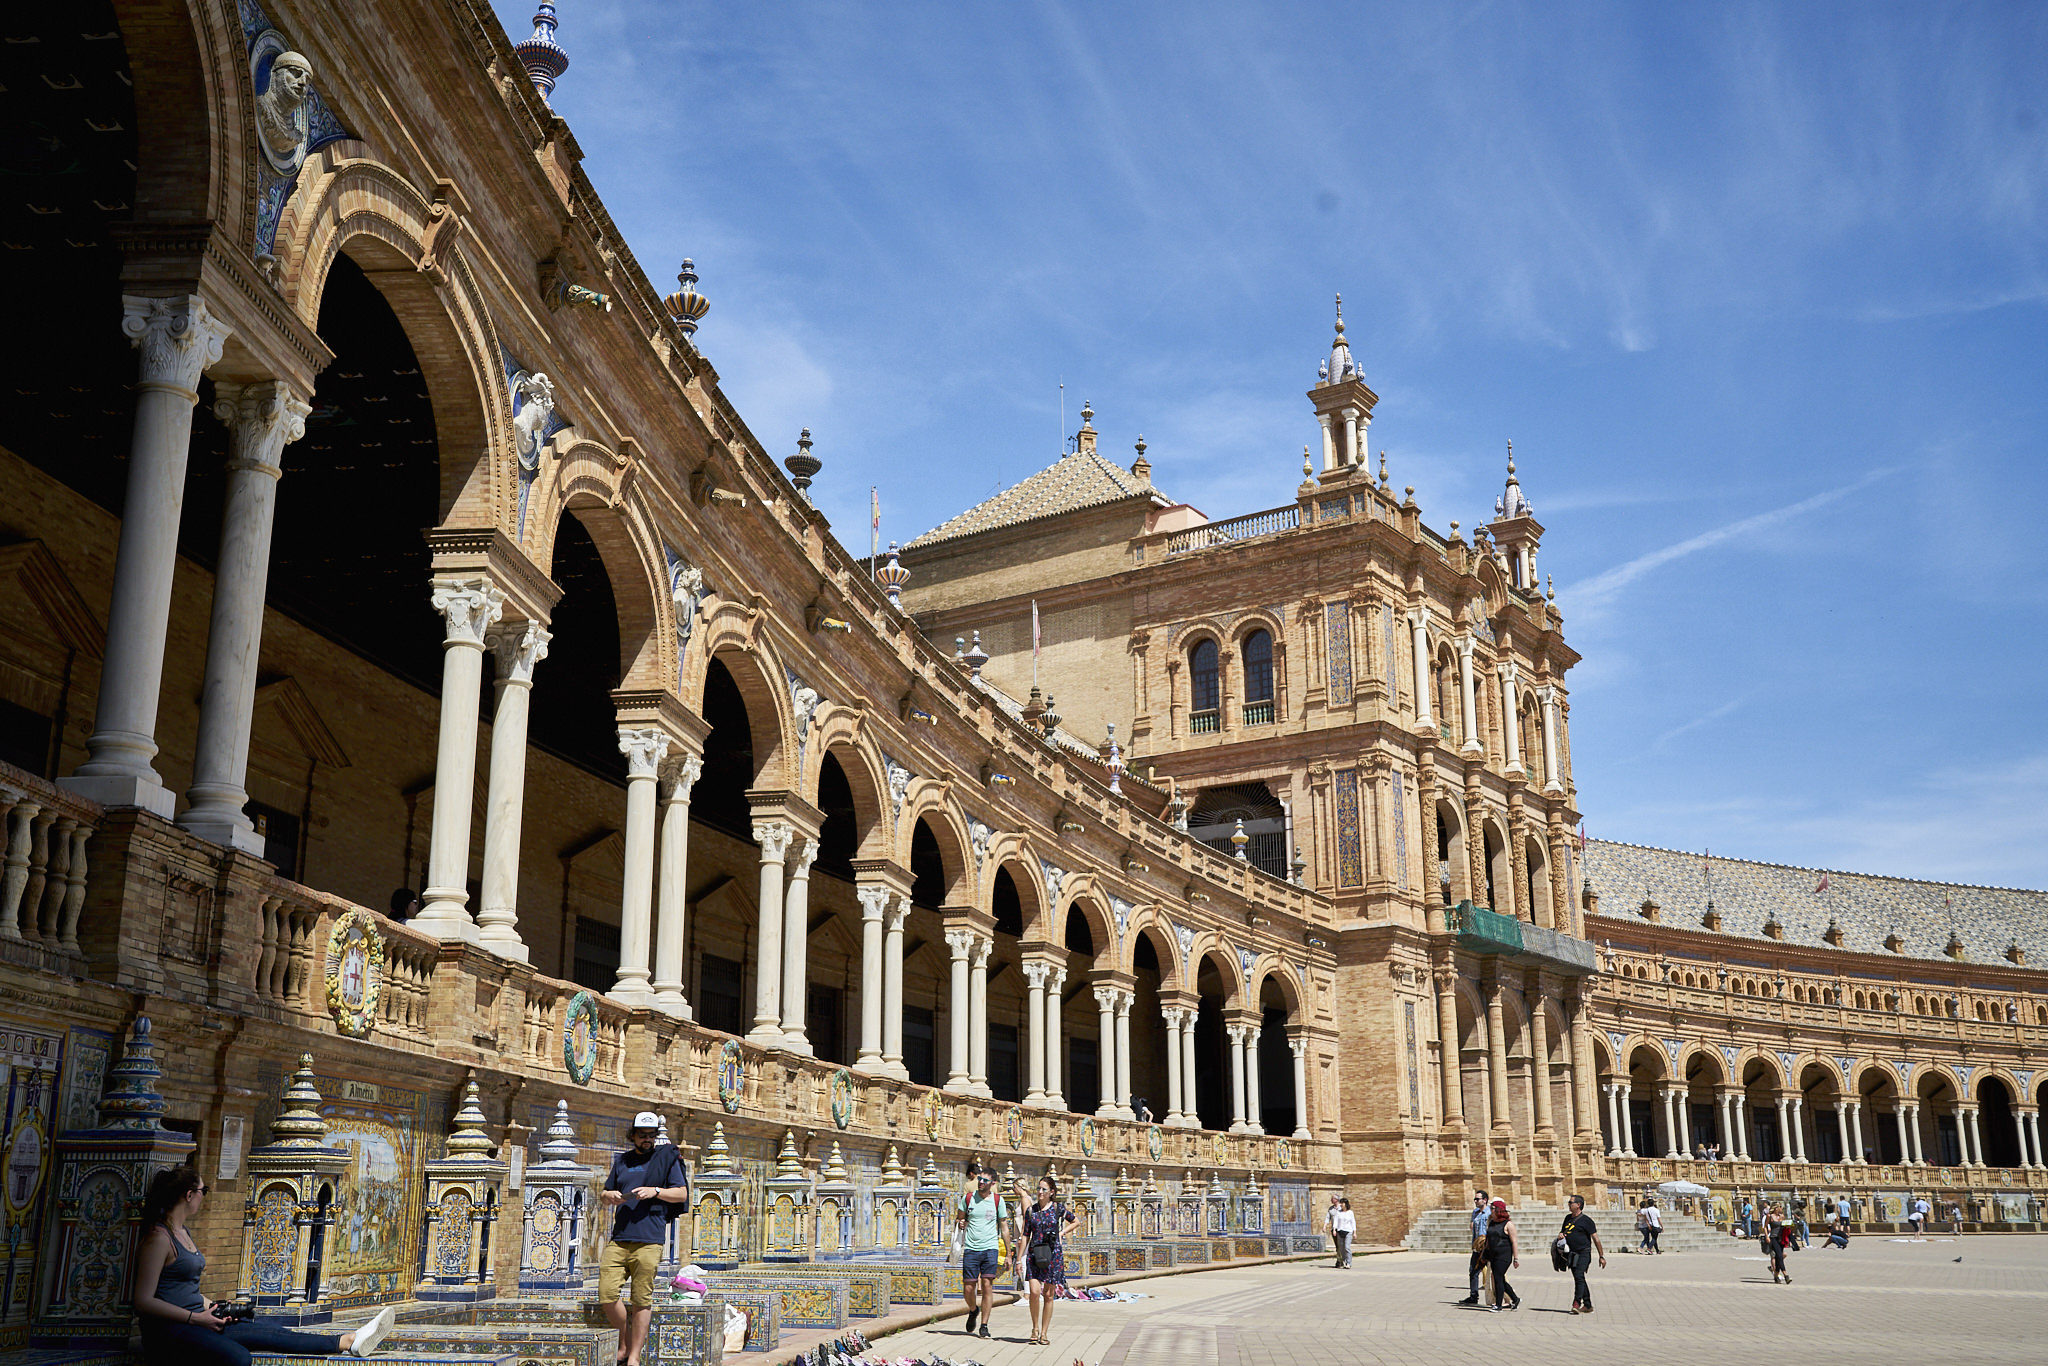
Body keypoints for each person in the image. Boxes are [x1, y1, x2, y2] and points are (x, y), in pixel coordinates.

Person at [132, 1166, 395, 1365]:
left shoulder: (182, 1232)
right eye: (203, 1191)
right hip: (170, 1331)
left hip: (199, 1321)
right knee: (240, 1358)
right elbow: (143, 1301)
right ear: (189, 1195)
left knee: (271, 1331)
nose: (204, 1197)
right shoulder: (159, 1238)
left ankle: (348, 1340)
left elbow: (183, 1288)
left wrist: (212, 1307)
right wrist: (195, 1317)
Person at [600, 1112, 689, 1366]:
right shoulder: (622, 1161)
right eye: (643, 1135)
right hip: (620, 1237)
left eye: (651, 1135)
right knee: (606, 1293)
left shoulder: (665, 1159)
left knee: (641, 1299)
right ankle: (624, 1340)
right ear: (633, 1135)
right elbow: (604, 1193)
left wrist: (656, 1191)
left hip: (649, 1238)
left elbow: (681, 1193)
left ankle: (634, 1356)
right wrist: (611, 1196)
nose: (648, 1139)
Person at [1016, 1174, 1075, 1345]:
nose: (1040, 1192)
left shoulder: (1058, 1209)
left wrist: (1062, 1233)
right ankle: (1034, 1327)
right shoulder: (1031, 1211)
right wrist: (1019, 1259)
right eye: (1039, 1189)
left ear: (1051, 1192)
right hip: (1035, 1254)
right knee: (1034, 1292)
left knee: (1048, 1295)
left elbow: (1076, 1221)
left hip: (1052, 1254)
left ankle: (1044, 1332)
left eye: (1044, 1189)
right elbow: (1025, 1235)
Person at [956, 1166, 1011, 1338]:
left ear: (992, 1183)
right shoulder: (968, 1198)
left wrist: (1009, 1253)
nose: (981, 1182)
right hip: (971, 1248)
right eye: (980, 1179)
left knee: (987, 1285)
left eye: (985, 1180)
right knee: (968, 1288)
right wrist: (961, 1223)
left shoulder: (997, 1201)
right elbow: (959, 1218)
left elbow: (1004, 1228)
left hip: (990, 1248)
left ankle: (984, 1325)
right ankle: (973, 1310)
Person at [1559, 1195, 1606, 1315]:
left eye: (1570, 1202)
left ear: (1578, 1205)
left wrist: (1601, 1256)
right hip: (1571, 1253)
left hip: (1584, 1252)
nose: (1569, 1204)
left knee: (1579, 1275)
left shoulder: (1587, 1221)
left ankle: (1576, 1303)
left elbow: (1596, 1239)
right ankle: (1588, 1305)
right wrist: (1561, 1235)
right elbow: (1563, 1232)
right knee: (1579, 1278)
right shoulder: (1567, 1218)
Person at [1482, 1199, 1520, 1311]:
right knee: (1499, 1278)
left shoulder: (1508, 1224)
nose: (1490, 1210)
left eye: (1492, 1208)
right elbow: (1488, 1239)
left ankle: (1498, 1305)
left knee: (1498, 1278)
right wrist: (1485, 1252)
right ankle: (1515, 1298)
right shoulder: (1492, 1222)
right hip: (1492, 1254)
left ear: (1498, 1210)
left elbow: (1514, 1242)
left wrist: (1516, 1258)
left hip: (1504, 1255)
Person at [1457, 1189, 1490, 1305]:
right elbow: (1472, 1226)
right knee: (1473, 1271)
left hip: (1487, 1247)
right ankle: (1473, 1296)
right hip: (1477, 1247)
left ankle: (1508, 1297)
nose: (1475, 1201)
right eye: (1475, 1199)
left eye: (1478, 1199)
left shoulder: (1490, 1212)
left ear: (1485, 1200)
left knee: (1496, 1273)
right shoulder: (1475, 1212)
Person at [1762, 1203, 1794, 1284]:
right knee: (1779, 1255)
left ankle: (1776, 1276)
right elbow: (1765, 1226)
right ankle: (1786, 1275)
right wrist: (1767, 1236)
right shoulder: (1770, 1216)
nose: (1781, 1208)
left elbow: (1786, 1228)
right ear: (1776, 1208)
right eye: (1779, 1206)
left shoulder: (1782, 1216)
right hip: (1773, 1238)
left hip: (1781, 1239)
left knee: (1778, 1258)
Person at [1330, 1198, 1356, 1268]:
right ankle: (1344, 1261)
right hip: (1340, 1231)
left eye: (1342, 1203)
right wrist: (1334, 1230)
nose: (1341, 1204)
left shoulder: (1350, 1212)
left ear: (1346, 1204)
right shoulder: (1338, 1212)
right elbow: (1335, 1221)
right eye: (1340, 1203)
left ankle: (1348, 1263)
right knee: (1341, 1248)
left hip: (1348, 1231)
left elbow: (1353, 1222)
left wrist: (1354, 1232)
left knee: (1347, 1247)